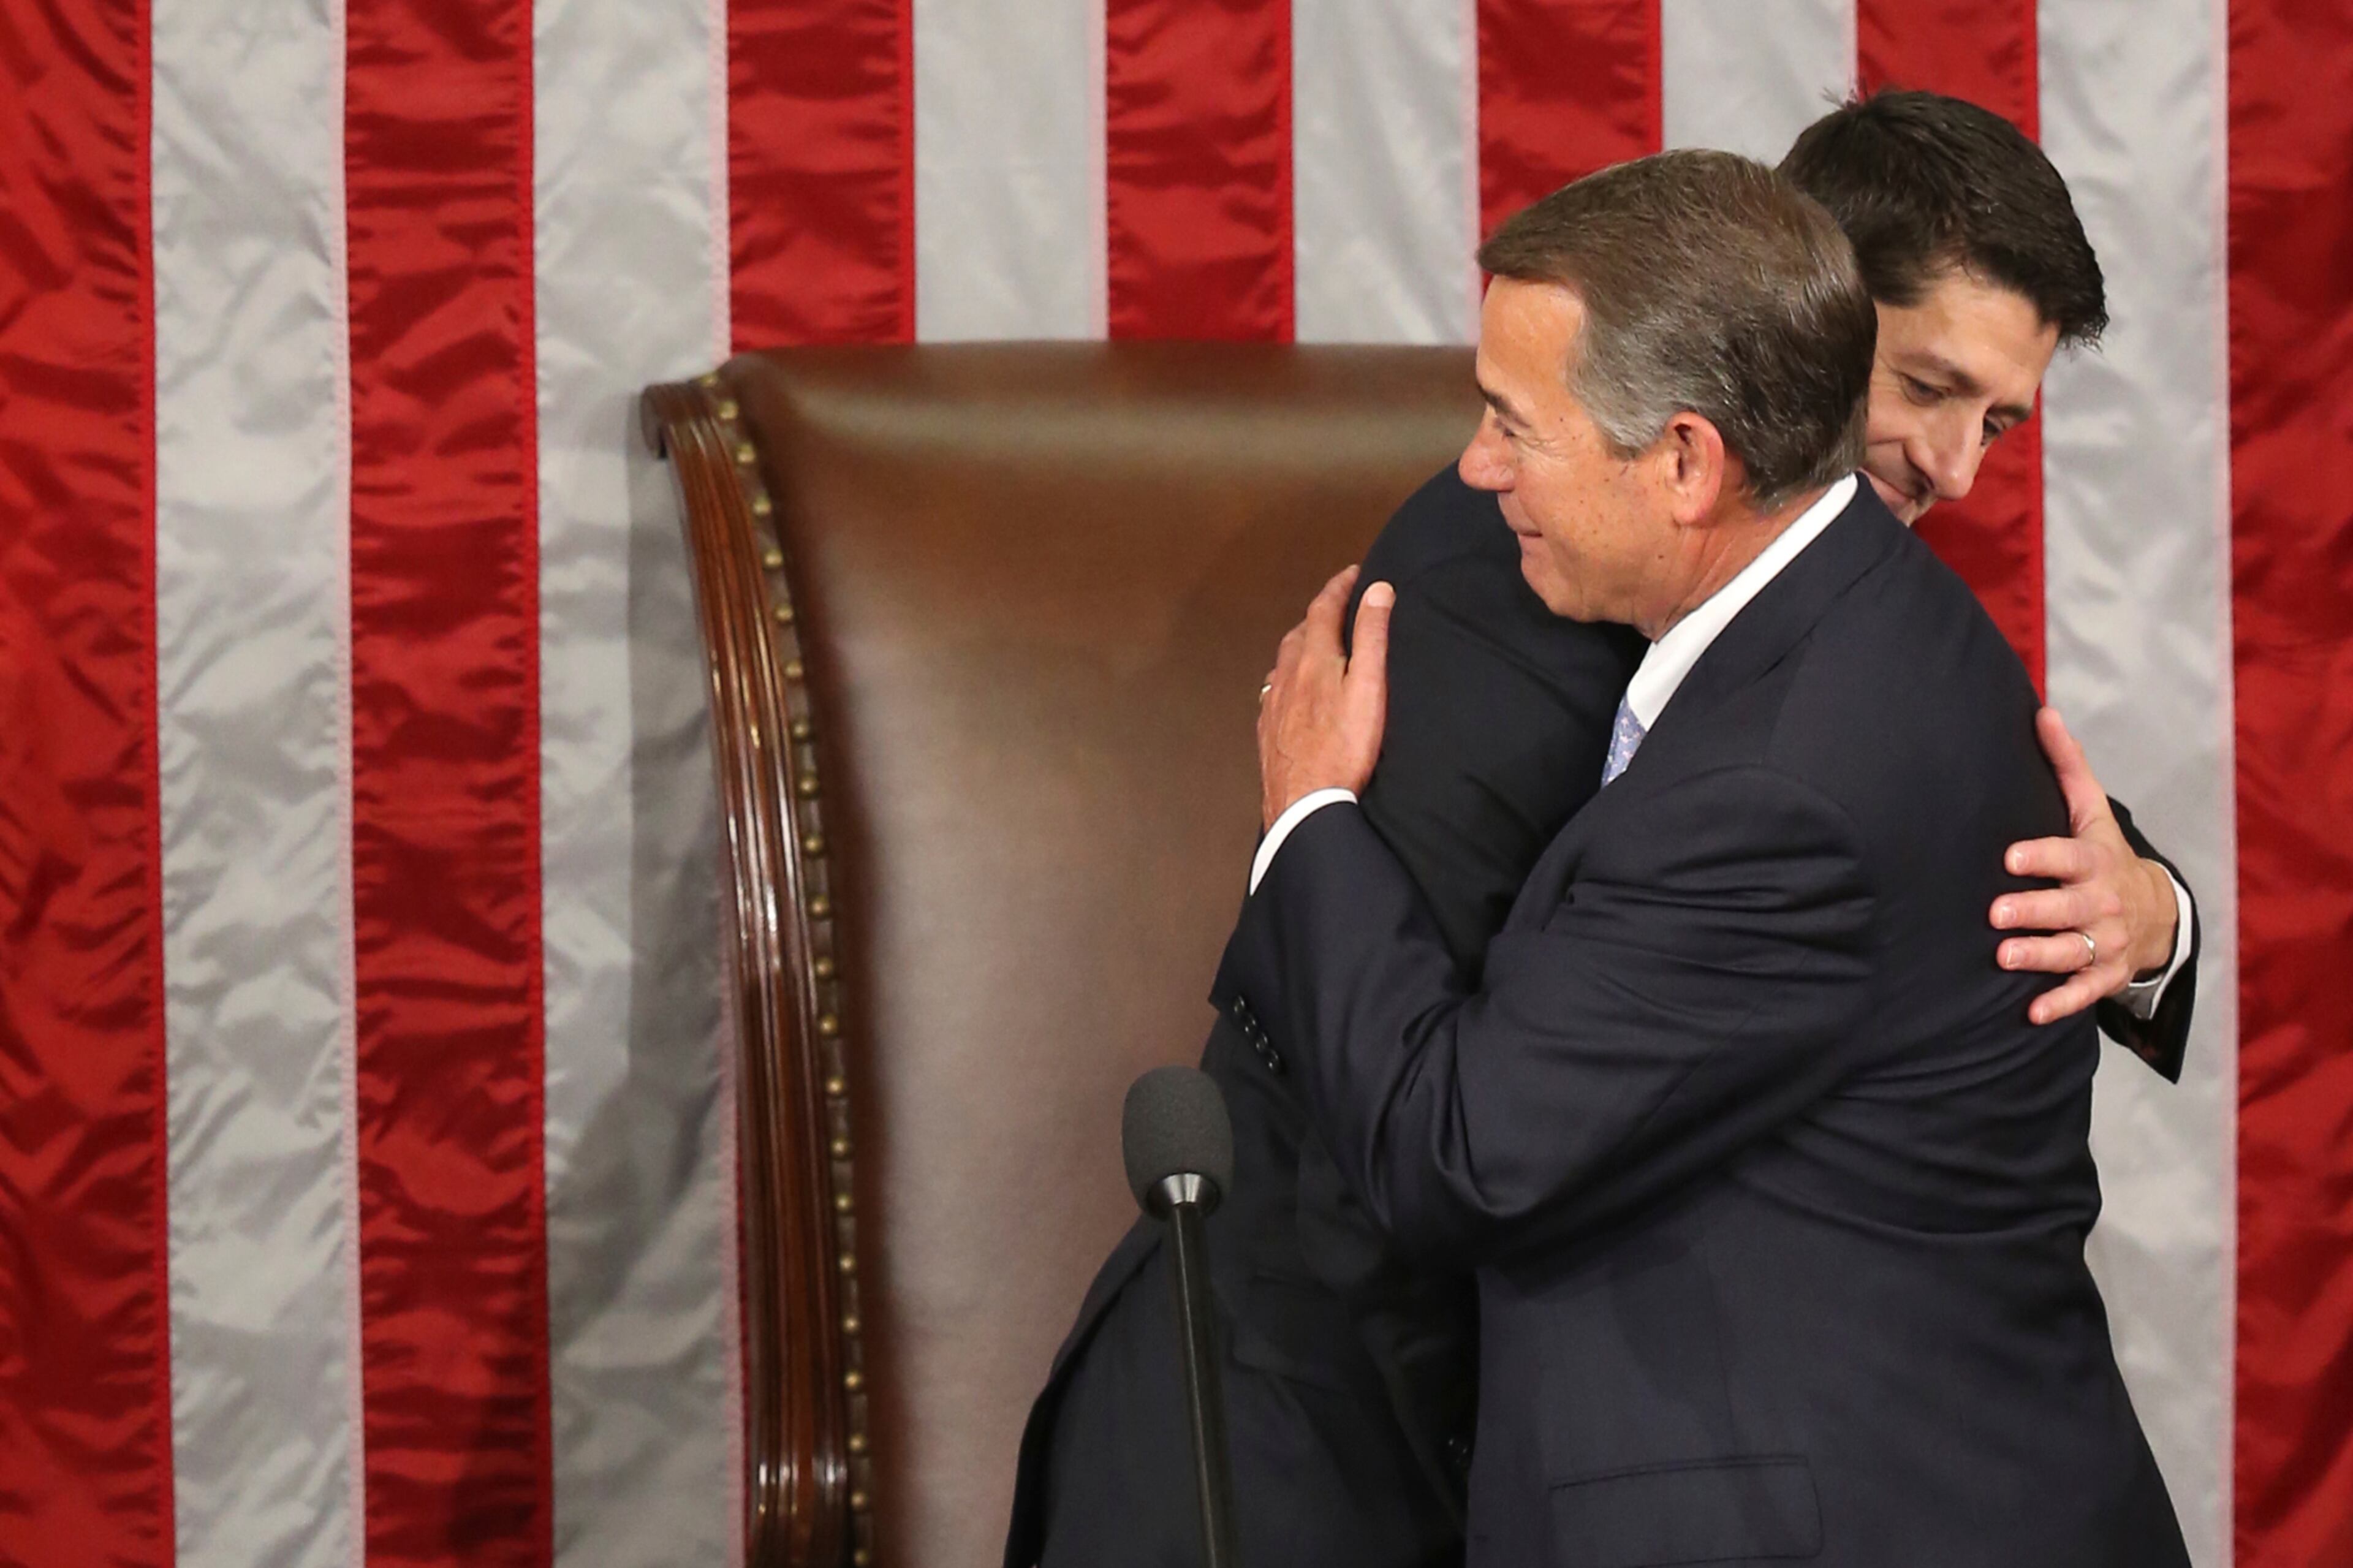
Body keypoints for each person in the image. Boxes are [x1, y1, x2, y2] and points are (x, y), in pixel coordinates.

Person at [1006, 93, 2197, 1568]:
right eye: (1926, 385)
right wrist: (1307, 808)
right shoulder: (1508, 565)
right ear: (1791, 308)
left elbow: (1903, 803)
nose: (1957, 467)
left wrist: (2155, 911)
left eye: (1998, 420)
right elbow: (1443, 1112)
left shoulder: (1830, 602)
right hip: (1307, 1401)